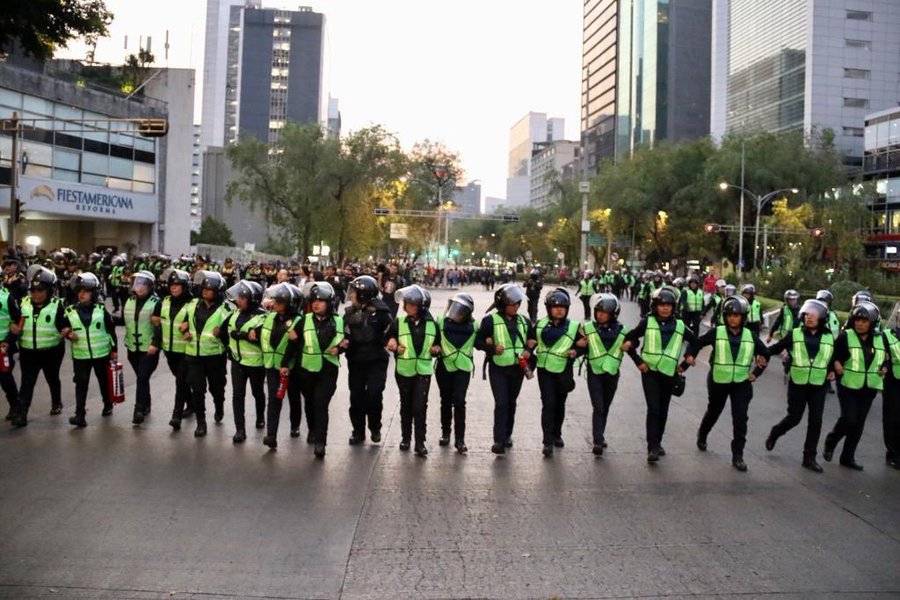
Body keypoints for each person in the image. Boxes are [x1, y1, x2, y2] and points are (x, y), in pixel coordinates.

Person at [684, 295, 769, 471]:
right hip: (718, 380)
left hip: (741, 382)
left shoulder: (751, 335)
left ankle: (738, 455)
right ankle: (703, 434)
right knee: (714, 411)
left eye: (737, 315)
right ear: (725, 316)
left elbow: (765, 354)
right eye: (729, 315)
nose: (733, 318)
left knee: (740, 418)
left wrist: (756, 372)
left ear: (743, 317)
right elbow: (697, 343)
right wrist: (689, 356)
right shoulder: (717, 332)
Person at [625, 286, 699, 463]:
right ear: (655, 306)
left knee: (663, 410)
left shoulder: (681, 326)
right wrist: (638, 361)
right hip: (650, 372)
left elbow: (695, 342)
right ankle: (652, 448)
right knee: (654, 408)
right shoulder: (646, 322)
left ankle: (658, 442)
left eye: (669, 305)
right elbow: (629, 340)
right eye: (661, 304)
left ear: (674, 307)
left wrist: (686, 361)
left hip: (670, 373)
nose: (665, 308)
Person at [764, 299, 835, 472]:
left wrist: (833, 368)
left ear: (822, 318)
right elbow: (776, 348)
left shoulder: (828, 336)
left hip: (819, 384)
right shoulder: (795, 334)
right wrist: (762, 354)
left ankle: (809, 457)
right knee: (795, 417)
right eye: (807, 314)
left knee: (816, 421)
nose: (809, 318)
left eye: (814, 315)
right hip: (798, 383)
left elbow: (832, 356)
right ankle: (776, 432)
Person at [823, 301, 887, 470]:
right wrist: (835, 364)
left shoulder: (880, 339)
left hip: (869, 387)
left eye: (864, 321)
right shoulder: (846, 336)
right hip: (848, 384)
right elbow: (833, 355)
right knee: (849, 418)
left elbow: (886, 358)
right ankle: (832, 440)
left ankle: (847, 457)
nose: (859, 323)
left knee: (858, 424)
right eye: (857, 319)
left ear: (872, 323)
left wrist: (885, 367)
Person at [475, 283, 533, 455]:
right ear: (502, 304)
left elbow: (532, 339)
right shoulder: (489, 320)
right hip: (498, 368)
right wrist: (491, 348)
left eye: (517, 304)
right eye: (512, 304)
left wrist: (529, 350)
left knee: (511, 402)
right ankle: (498, 440)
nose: (516, 307)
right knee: (501, 403)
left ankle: (507, 435)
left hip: (518, 369)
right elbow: (477, 342)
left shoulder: (524, 320)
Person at [386, 285, 441, 457]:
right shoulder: (399, 322)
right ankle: (406, 438)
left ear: (421, 306)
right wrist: (392, 343)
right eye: (406, 303)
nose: (407, 306)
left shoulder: (433, 324)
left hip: (423, 371)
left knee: (419, 406)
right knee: (406, 405)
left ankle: (420, 442)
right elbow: (388, 337)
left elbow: (438, 343)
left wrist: (436, 349)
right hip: (404, 369)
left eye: (411, 303)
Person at [292, 281, 343, 458]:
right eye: (314, 300)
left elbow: (346, 340)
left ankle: (321, 442)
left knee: (321, 404)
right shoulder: (303, 320)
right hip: (306, 370)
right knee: (310, 403)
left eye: (321, 300)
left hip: (328, 371)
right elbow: (294, 344)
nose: (316, 304)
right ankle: (312, 429)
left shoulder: (338, 321)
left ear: (329, 303)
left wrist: (340, 348)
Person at [11, 266, 66, 427]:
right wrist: (13, 329)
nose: (36, 293)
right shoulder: (23, 304)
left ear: (49, 290)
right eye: (33, 290)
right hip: (28, 352)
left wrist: (65, 330)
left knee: (52, 378)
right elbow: (15, 323)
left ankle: (56, 402)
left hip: (52, 351)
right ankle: (21, 414)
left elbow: (65, 324)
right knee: (27, 383)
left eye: (40, 290)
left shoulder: (57, 305)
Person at [534, 288, 584, 457]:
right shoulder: (539, 324)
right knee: (548, 404)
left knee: (559, 404)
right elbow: (530, 342)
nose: (559, 309)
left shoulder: (575, 327)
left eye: (563, 307)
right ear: (549, 308)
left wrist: (576, 351)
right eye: (555, 307)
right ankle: (547, 441)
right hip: (544, 370)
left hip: (563, 370)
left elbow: (585, 345)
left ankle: (557, 434)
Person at [342, 275, 392, 445]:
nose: (351, 296)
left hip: (376, 361)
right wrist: (342, 342)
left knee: (374, 395)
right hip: (356, 361)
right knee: (356, 397)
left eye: (354, 293)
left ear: (363, 295)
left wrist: (391, 340)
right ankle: (358, 431)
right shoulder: (349, 313)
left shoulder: (382, 313)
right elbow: (342, 332)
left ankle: (375, 427)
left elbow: (390, 332)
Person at [181, 270, 232, 437]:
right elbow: (184, 320)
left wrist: (222, 333)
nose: (205, 291)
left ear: (217, 292)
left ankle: (219, 406)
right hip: (194, 355)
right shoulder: (193, 304)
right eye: (204, 288)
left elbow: (232, 331)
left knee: (216, 388)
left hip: (215, 356)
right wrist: (184, 329)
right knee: (197, 389)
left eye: (209, 289)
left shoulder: (227, 309)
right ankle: (201, 423)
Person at [63, 273, 117, 427]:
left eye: (85, 291)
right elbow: (63, 327)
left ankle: (107, 404)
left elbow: (111, 331)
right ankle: (80, 415)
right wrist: (67, 333)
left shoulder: (101, 309)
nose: (82, 294)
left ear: (93, 293)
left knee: (104, 381)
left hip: (101, 354)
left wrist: (114, 350)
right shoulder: (70, 311)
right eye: (79, 291)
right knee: (81, 385)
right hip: (81, 356)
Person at [582, 293, 630, 455]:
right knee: (599, 406)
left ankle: (600, 435)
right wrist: (577, 347)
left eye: (604, 312)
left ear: (613, 314)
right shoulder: (588, 328)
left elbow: (634, 345)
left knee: (605, 406)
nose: (600, 315)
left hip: (612, 374)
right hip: (594, 372)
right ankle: (597, 441)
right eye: (598, 311)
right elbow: (577, 346)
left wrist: (640, 362)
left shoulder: (623, 330)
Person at [221, 280, 267, 443]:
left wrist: (242, 335)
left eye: (243, 297)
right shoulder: (234, 313)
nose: (238, 300)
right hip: (237, 362)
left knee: (257, 392)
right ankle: (240, 429)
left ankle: (260, 416)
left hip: (256, 363)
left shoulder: (263, 316)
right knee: (237, 395)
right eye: (238, 296)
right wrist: (228, 345)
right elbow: (223, 332)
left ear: (253, 299)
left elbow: (262, 338)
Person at [260, 283, 302, 450]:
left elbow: (301, 346)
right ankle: (271, 435)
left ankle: (295, 425)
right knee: (274, 400)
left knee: (294, 398)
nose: (274, 303)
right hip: (272, 367)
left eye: (279, 301)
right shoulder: (270, 317)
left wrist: (296, 340)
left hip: (291, 369)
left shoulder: (299, 321)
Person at [435, 292, 476, 454]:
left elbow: (483, 338)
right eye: (454, 307)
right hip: (444, 366)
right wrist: (435, 348)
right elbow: (432, 338)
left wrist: (490, 344)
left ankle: (460, 439)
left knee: (459, 401)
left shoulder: (474, 326)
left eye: (460, 310)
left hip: (463, 369)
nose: (456, 312)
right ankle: (446, 433)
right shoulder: (440, 322)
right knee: (445, 400)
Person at [123, 270, 161, 424]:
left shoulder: (156, 302)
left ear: (149, 286)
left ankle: (138, 409)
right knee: (142, 378)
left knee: (142, 377)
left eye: (141, 284)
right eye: (136, 283)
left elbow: (160, 327)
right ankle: (146, 404)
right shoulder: (130, 300)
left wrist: (155, 344)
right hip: (132, 347)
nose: (138, 286)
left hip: (149, 349)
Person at [160, 268, 195, 430]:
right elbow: (158, 321)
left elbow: (203, 322)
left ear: (185, 286)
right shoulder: (165, 301)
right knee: (182, 381)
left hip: (186, 351)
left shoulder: (194, 303)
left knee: (180, 382)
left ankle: (176, 416)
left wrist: (190, 328)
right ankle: (193, 403)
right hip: (169, 350)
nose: (173, 288)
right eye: (171, 285)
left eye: (177, 285)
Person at [0, 271, 20, 422]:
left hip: (3, 347)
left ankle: (16, 406)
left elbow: (18, 322)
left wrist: (8, 340)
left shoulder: (7, 298)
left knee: (5, 378)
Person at [883, 314, 900, 470]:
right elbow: (881, 356)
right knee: (893, 418)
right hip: (893, 383)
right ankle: (893, 454)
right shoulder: (887, 335)